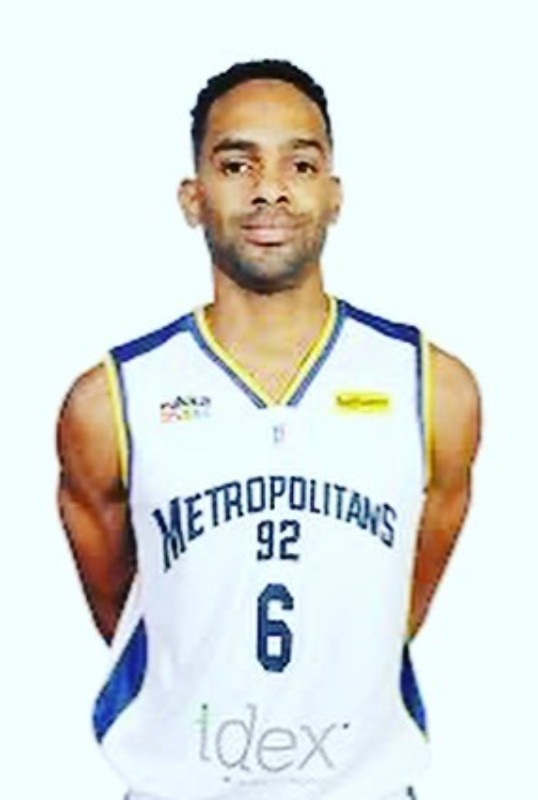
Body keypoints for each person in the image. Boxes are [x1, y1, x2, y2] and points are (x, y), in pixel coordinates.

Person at [57, 59, 481, 800]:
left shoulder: (432, 387)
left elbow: (401, 602)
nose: (270, 188)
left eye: (301, 164)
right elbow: (124, 605)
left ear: (335, 195)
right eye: (236, 164)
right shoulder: (110, 400)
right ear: (192, 197)